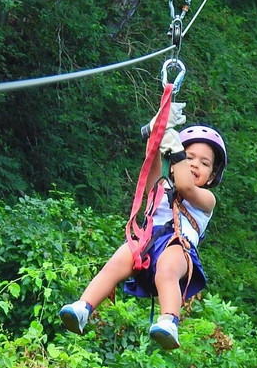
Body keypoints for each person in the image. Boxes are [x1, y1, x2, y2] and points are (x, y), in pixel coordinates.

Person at [59, 119, 227, 350]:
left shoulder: (206, 200)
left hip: (178, 247)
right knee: (118, 260)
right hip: (147, 243)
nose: (195, 164)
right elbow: (153, 164)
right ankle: (83, 308)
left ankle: (169, 321)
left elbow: (187, 188)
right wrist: (159, 128)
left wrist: (177, 149)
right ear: (174, 161)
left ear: (210, 176)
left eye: (204, 162)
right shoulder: (161, 185)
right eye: (189, 157)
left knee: (168, 268)